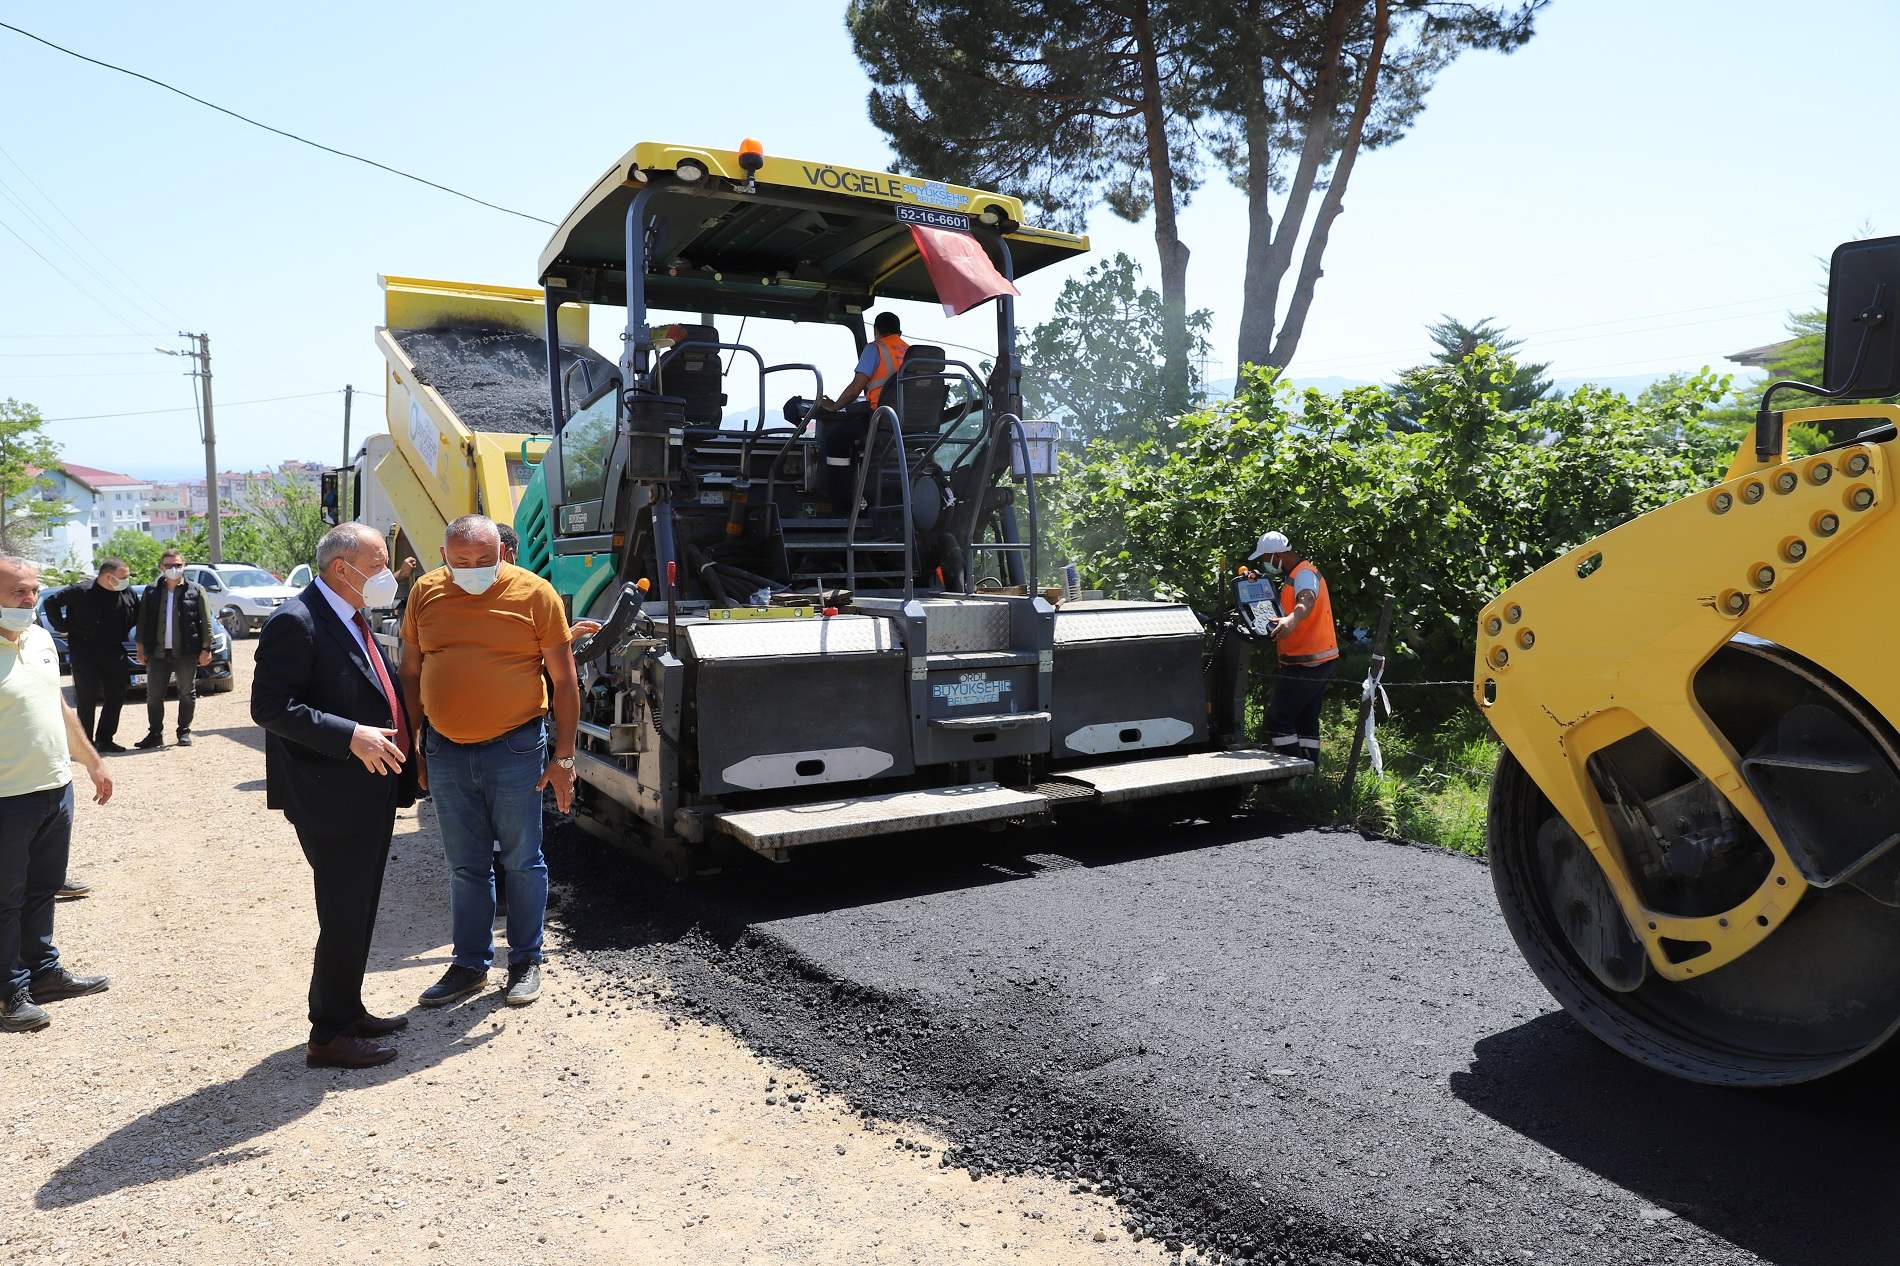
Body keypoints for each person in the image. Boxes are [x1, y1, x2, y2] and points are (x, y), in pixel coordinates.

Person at [252, 523, 418, 1069]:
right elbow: (270, 708)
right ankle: (328, 1034)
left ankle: (347, 1009)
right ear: (341, 569)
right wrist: (349, 736)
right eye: (378, 563)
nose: (388, 573)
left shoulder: (351, 614)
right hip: (331, 792)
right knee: (343, 909)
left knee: (359, 906)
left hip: (367, 787)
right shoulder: (296, 621)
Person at [398, 514, 578, 1010]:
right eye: (462, 561)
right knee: (466, 865)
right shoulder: (425, 593)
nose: (474, 568)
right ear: (443, 556)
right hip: (446, 751)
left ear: (502, 552)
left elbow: (565, 680)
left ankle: (524, 961)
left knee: (523, 860)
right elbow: (410, 672)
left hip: (515, 748)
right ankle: (470, 965)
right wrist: (415, 746)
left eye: (485, 559)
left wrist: (564, 757)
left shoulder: (535, 594)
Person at [0, 554, 112, 1034]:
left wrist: (91, 759)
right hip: (6, 798)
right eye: (17, 592)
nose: (30, 600)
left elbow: (58, 705)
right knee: (5, 899)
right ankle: (8, 993)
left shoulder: (40, 638)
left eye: (33, 590)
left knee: (43, 888)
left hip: (54, 789)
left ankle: (42, 973)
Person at [1249, 530, 1340, 768]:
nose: (1265, 563)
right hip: (1316, 660)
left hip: (1307, 662)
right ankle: (1309, 771)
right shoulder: (1297, 574)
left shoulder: (1305, 576)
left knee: (1277, 717)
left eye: (1266, 558)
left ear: (1278, 555)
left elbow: (1306, 600)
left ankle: (1292, 771)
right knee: (1306, 719)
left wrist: (1291, 619)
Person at [814, 311, 908, 513]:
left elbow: (855, 389)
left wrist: (835, 406)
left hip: (882, 418)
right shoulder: (911, 352)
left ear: (876, 331)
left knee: (836, 440)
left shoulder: (876, 348)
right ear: (899, 333)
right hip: (908, 422)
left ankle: (841, 506)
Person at [43, 558, 139, 753]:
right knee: (86, 698)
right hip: (84, 651)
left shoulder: (126, 592)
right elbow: (50, 603)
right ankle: (85, 743)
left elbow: (137, 614)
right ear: (108, 577)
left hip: (114, 650)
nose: (126, 580)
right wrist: (61, 627)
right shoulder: (80, 591)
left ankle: (105, 739)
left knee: (116, 696)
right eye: (123, 577)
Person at [134, 549, 213, 749]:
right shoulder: (151, 591)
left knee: (187, 692)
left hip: (186, 652)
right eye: (169, 565)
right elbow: (142, 622)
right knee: (154, 695)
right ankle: (155, 734)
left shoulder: (196, 590)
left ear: (184, 566)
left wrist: (206, 648)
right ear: (161, 567)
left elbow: (206, 621)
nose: (173, 569)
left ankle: (184, 731)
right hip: (157, 653)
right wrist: (140, 648)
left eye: (177, 565)